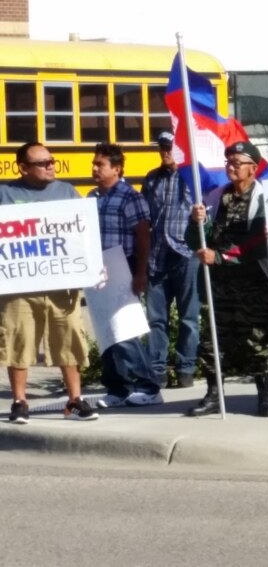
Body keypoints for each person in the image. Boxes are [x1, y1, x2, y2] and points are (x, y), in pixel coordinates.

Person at [185, 141, 268, 417]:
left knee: (258, 343)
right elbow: (193, 240)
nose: (231, 166)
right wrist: (197, 223)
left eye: (237, 162)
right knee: (213, 343)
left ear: (253, 169)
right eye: (228, 161)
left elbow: (261, 244)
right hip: (221, 286)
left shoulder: (267, 200)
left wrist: (219, 257)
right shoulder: (216, 197)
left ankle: (265, 399)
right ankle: (213, 396)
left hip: (255, 283)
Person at [0, 142, 98, 423]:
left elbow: (83, 232)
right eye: (43, 163)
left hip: (61, 287)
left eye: (52, 161)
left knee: (69, 339)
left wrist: (92, 266)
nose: (51, 166)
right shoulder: (5, 194)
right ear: (23, 168)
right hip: (18, 288)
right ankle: (20, 402)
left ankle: (75, 401)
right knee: (19, 342)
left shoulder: (67, 191)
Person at [88, 143, 164, 408]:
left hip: (125, 266)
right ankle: (117, 388)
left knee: (125, 329)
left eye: (100, 164)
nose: (94, 168)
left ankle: (148, 386)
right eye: (94, 163)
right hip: (98, 269)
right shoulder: (92, 197)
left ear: (117, 168)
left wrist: (140, 273)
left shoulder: (130, 196)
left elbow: (143, 236)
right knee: (105, 329)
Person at [141, 132, 200, 389]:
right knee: (156, 319)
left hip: (187, 254)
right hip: (157, 256)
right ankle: (157, 370)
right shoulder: (151, 179)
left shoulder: (195, 176)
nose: (165, 151)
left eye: (170, 147)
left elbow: (209, 209)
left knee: (189, 317)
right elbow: (144, 216)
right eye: (163, 147)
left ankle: (186, 368)